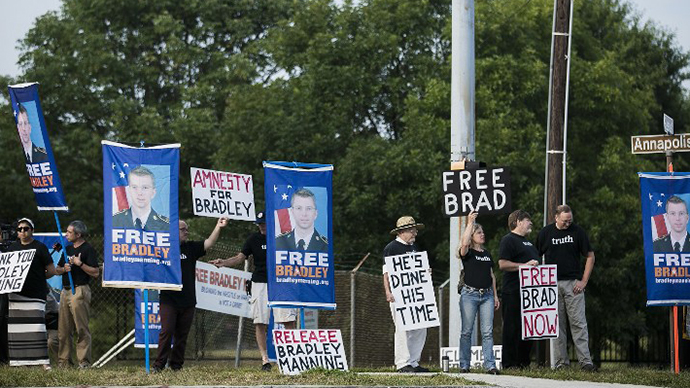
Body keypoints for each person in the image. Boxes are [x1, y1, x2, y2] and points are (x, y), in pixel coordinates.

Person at [210, 212, 297, 371]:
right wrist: (223, 263)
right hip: (260, 282)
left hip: (281, 282)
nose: (262, 226)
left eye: (264, 223)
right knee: (260, 321)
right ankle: (265, 360)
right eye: (259, 223)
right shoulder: (253, 239)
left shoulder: (283, 237)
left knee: (287, 319)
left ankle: (292, 358)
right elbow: (239, 258)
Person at [153, 217, 228, 372]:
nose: (186, 232)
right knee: (166, 332)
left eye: (187, 229)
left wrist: (218, 227)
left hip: (188, 300)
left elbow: (208, 243)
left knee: (182, 335)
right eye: (182, 229)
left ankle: (176, 365)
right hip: (169, 299)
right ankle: (159, 365)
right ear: (173, 232)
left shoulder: (191, 248)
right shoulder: (164, 248)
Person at [536, 205, 596, 371]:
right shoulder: (545, 233)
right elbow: (534, 257)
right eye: (564, 221)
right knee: (557, 326)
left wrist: (584, 281)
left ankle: (586, 362)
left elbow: (590, 256)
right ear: (556, 218)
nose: (568, 224)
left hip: (573, 284)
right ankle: (561, 363)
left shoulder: (578, 232)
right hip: (551, 284)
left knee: (579, 324)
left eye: (570, 220)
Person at [6, 218, 56, 369]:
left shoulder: (40, 247)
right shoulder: (12, 248)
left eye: (25, 228)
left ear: (32, 230)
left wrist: (39, 277)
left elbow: (52, 271)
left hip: (36, 294)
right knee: (18, 329)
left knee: (37, 328)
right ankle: (19, 362)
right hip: (16, 294)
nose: (22, 231)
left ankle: (42, 362)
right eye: (19, 229)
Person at [383, 216, 429, 373]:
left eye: (415, 230)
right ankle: (402, 363)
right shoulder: (392, 248)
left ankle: (414, 361)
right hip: (399, 295)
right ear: (401, 232)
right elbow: (387, 273)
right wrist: (388, 292)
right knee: (403, 328)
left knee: (420, 326)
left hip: (415, 295)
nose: (415, 233)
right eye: (412, 230)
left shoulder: (415, 247)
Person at [457, 212, 499, 374]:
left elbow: (491, 275)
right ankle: (464, 365)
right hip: (470, 295)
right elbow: (464, 242)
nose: (483, 235)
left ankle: (490, 365)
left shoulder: (487, 254)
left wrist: (495, 295)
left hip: (487, 295)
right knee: (467, 331)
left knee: (487, 332)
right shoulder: (467, 253)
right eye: (479, 232)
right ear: (472, 236)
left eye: (483, 232)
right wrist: (470, 222)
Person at [55, 220, 100, 368]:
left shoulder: (88, 249)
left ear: (78, 234)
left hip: (79, 290)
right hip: (65, 290)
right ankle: (64, 362)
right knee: (64, 329)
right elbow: (57, 269)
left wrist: (80, 264)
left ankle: (84, 362)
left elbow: (95, 272)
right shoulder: (67, 249)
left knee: (81, 328)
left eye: (69, 232)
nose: (66, 234)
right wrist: (64, 269)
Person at [498, 209, 539, 369]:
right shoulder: (508, 240)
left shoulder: (529, 243)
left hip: (530, 292)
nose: (531, 223)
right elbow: (502, 264)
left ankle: (524, 362)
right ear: (518, 222)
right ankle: (509, 363)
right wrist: (524, 266)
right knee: (512, 327)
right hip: (513, 291)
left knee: (528, 327)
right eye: (528, 220)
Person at [112, 166, 170, 231]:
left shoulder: (166, 226)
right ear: (129, 190)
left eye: (145, 187)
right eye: (134, 187)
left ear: (153, 193)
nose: (139, 193)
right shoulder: (114, 222)